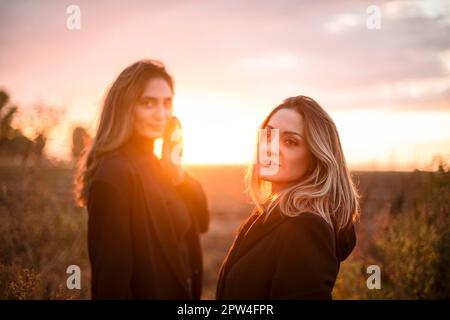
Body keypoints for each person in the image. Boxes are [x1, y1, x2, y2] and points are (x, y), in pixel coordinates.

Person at [74, 59, 209, 299]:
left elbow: (202, 220)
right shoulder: (114, 174)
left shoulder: (161, 167)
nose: (161, 114)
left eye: (167, 104)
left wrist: (175, 165)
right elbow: (110, 284)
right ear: (126, 107)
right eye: (148, 103)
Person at [216, 95, 359, 299]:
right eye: (268, 136)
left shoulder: (305, 228)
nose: (271, 149)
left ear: (314, 158)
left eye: (290, 142)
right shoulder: (268, 217)